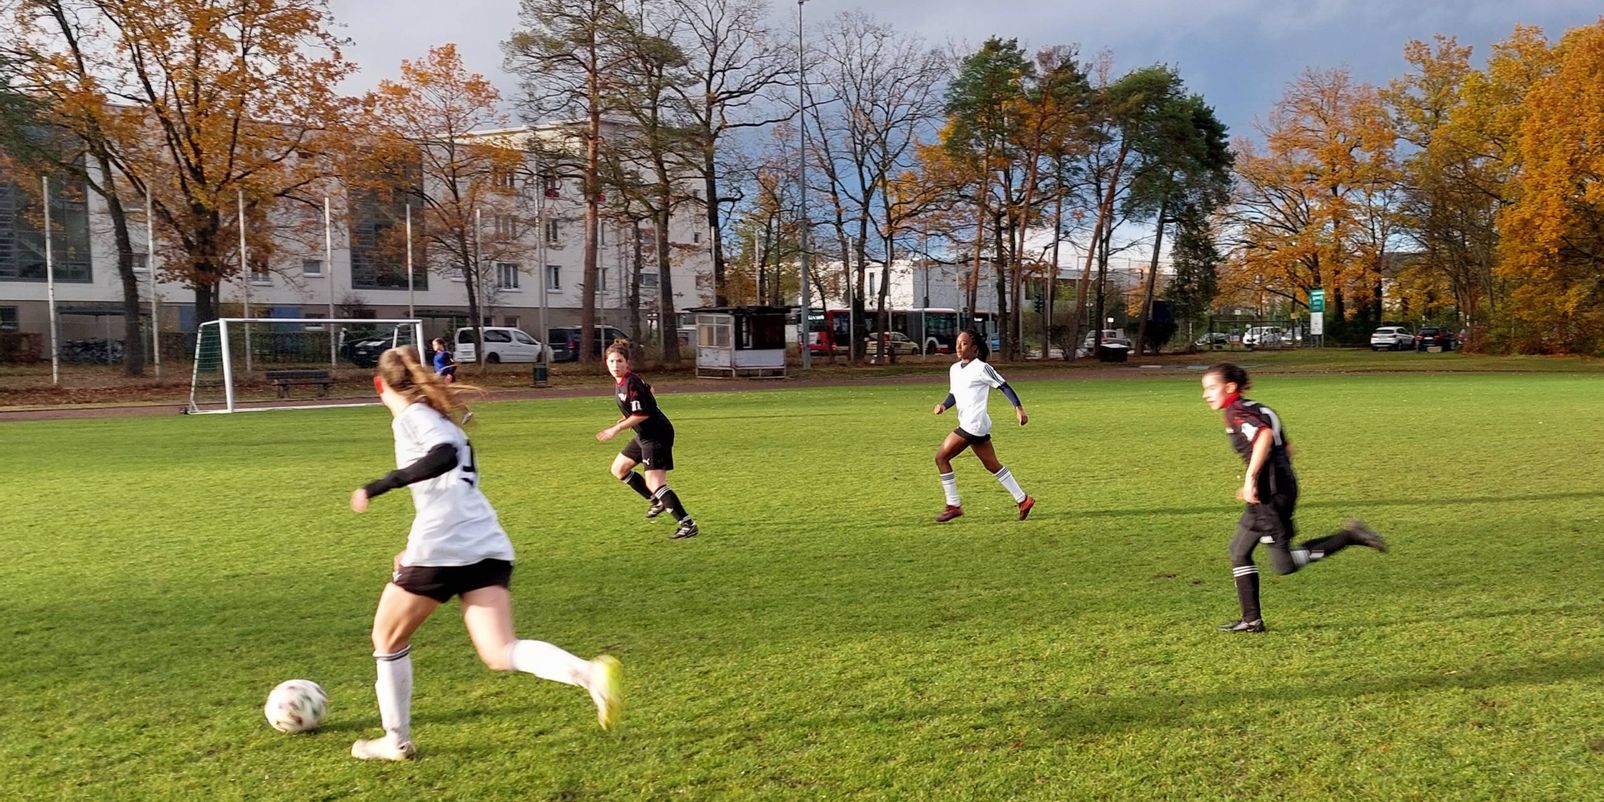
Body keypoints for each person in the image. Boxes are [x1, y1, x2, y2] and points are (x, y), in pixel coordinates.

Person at [348, 346, 621, 760]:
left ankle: (396, 740)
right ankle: (588, 674)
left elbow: (443, 458)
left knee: (386, 638)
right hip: (484, 541)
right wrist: (414, 546)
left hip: (445, 544)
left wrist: (380, 485)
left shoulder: (413, 418)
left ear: (378, 385)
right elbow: (447, 490)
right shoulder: (439, 418)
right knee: (499, 652)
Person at [1201, 363, 1389, 633]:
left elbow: (1264, 436)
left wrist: (1252, 479)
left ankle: (1350, 536)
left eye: (1211, 388)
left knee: (1283, 565)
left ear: (1230, 387)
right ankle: (1251, 620)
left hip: (1270, 494)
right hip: (1275, 488)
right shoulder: (1258, 408)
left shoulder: (1236, 412)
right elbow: (1287, 449)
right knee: (1238, 551)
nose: (1206, 394)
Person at [597, 339, 698, 539]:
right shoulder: (624, 381)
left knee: (656, 483)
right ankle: (657, 501)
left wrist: (616, 428)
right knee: (619, 469)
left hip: (656, 434)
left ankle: (687, 524)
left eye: (619, 361)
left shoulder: (631, 381)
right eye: (611, 362)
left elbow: (642, 414)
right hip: (644, 434)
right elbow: (649, 390)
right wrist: (630, 416)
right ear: (606, 363)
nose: (615, 366)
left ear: (627, 363)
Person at [932, 329, 1035, 523]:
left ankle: (953, 505)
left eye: (963, 343)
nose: (958, 347)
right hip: (974, 424)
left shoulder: (981, 368)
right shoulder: (954, 369)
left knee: (941, 458)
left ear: (974, 348)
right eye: (957, 343)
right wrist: (944, 406)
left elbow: (1003, 385)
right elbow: (955, 393)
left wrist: (1019, 409)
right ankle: (1023, 499)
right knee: (992, 465)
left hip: (974, 424)